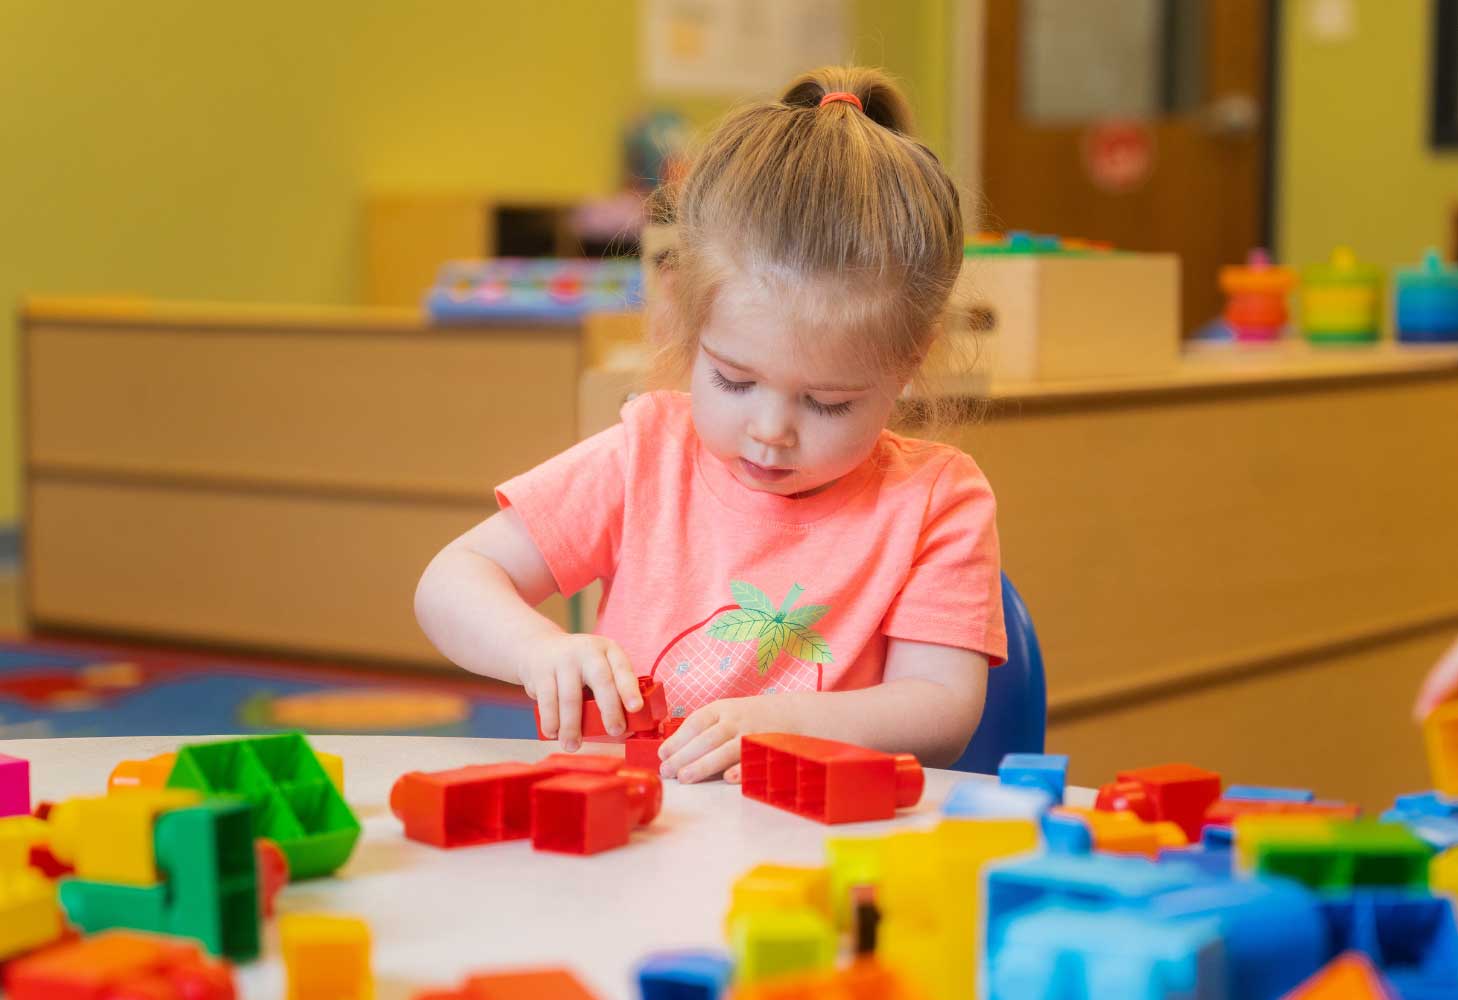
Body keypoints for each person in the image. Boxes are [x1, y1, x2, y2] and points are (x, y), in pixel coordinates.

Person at [415, 66, 1006, 783]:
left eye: (827, 403)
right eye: (732, 379)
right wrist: (539, 649)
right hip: (634, 838)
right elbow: (452, 580)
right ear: (690, 326)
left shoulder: (937, 499)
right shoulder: (648, 453)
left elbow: (941, 709)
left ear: (912, 360)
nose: (770, 431)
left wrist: (778, 724)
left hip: (815, 847)